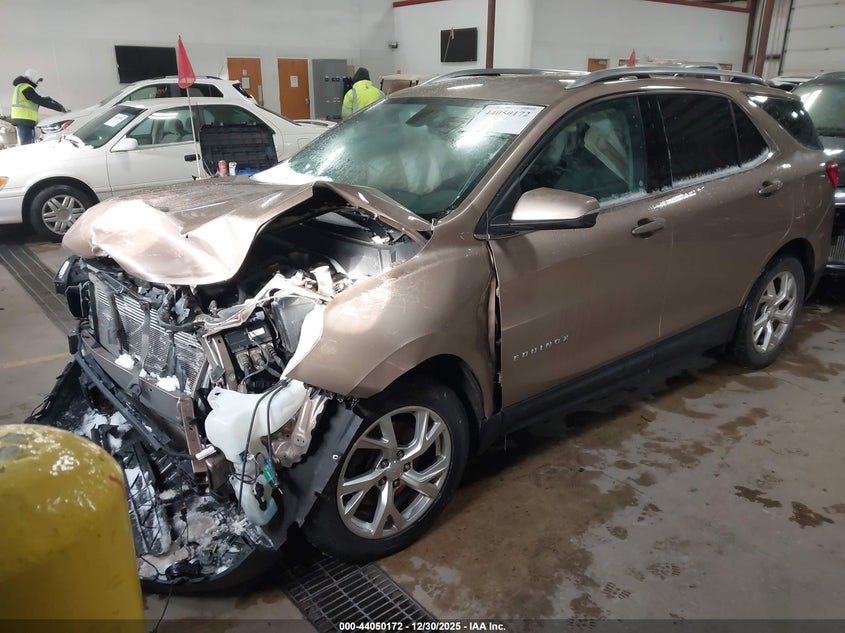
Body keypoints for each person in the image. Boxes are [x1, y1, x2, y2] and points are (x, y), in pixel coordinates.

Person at [10, 69, 67, 145]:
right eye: (37, 80)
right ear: (32, 78)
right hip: (24, 119)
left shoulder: (23, 87)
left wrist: (46, 99)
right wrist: (61, 108)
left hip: (25, 119)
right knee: (27, 144)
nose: (37, 82)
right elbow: (39, 100)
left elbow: (35, 99)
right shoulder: (25, 87)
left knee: (30, 142)